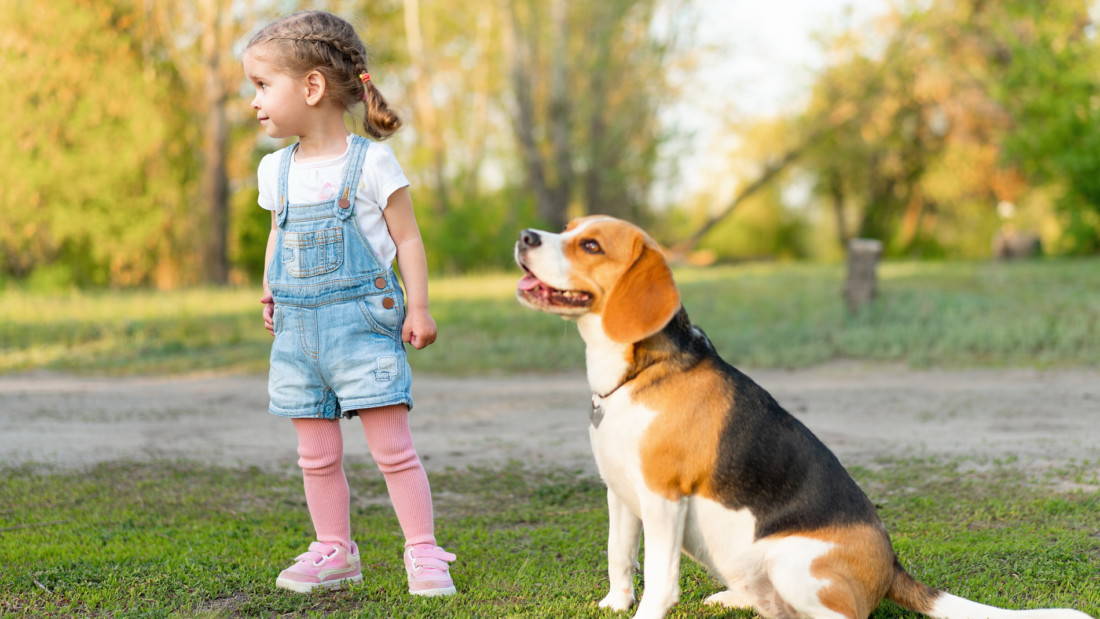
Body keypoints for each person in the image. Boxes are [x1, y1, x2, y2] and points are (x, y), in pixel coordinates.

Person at [242, 10, 455, 596]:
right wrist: (270, 286)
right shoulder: (274, 170)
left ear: (311, 88)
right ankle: (335, 550)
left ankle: (424, 551)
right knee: (315, 455)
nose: (254, 101)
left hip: (362, 325)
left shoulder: (372, 163)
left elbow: (407, 238)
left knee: (393, 450)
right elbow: (277, 234)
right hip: (297, 333)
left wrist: (419, 307)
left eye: (262, 86)